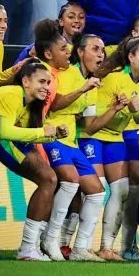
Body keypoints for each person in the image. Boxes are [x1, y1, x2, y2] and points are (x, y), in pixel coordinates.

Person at [30, 20, 107, 262]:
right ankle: (50, 240)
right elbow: (53, 103)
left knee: (96, 192)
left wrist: (115, 109)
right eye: (95, 49)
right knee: (70, 181)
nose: (101, 54)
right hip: (52, 136)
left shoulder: (92, 82)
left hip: (72, 141)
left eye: (103, 50)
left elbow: (90, 125)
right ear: (80, 52)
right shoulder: (64, 74)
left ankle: (80, 248)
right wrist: (82, 89)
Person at [82, 36, 139, 261]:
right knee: (94, 190)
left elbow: (135, 117)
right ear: (130, 57)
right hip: (94, 136)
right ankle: (81, 246)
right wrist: (125, 109)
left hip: (116, 137)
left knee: (122, 189)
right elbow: (95, 122)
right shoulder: (112, 79)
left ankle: (106, 247)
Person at [0, 59, 66, 260]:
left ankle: (30, 246)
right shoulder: (12, 94)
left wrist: (53, 134)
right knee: (49, 179)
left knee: (50, 180)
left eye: (48, 83)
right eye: (41, 82)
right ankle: (27, 248)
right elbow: (6, 132)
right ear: (25, 81)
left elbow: (25, 132)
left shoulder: (31, 102)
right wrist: (43, 132)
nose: (46, 87)